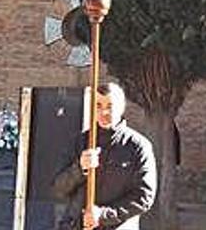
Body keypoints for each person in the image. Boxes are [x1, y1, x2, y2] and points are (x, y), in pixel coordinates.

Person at [52, 82, 157, 230]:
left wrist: (103, 215)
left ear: (121, 108)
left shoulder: (138, 147)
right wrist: (79, 168)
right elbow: (58, 189)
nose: (104, 113)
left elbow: (143, 197)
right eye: (98, 106)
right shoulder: (79, 142)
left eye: (110, 106)